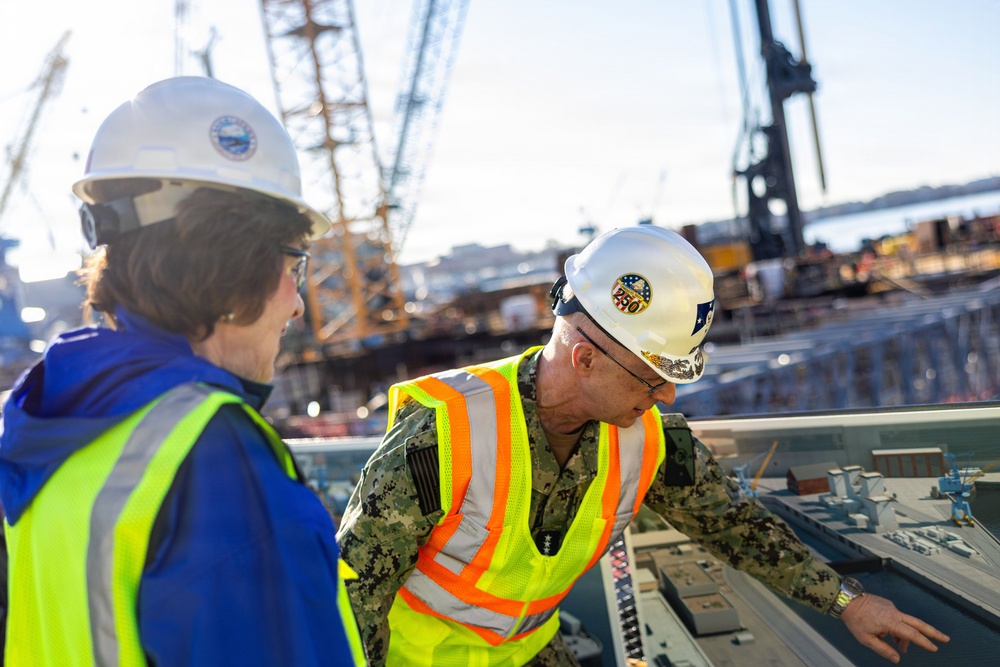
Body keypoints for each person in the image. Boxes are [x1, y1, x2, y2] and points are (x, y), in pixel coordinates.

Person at [336, 225, 949, 666]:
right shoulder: (443, 438)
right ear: (584, 358)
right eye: (654, 378)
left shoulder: (649, 441)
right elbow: (353, 592)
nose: (667, 398)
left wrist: (845, 601)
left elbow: (735, 526)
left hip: (524, 651)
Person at [0, 77, 365, 666]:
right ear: (234, 266)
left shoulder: (47, 420)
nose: (298, 304)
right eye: (293, 267)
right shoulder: (215, 460)